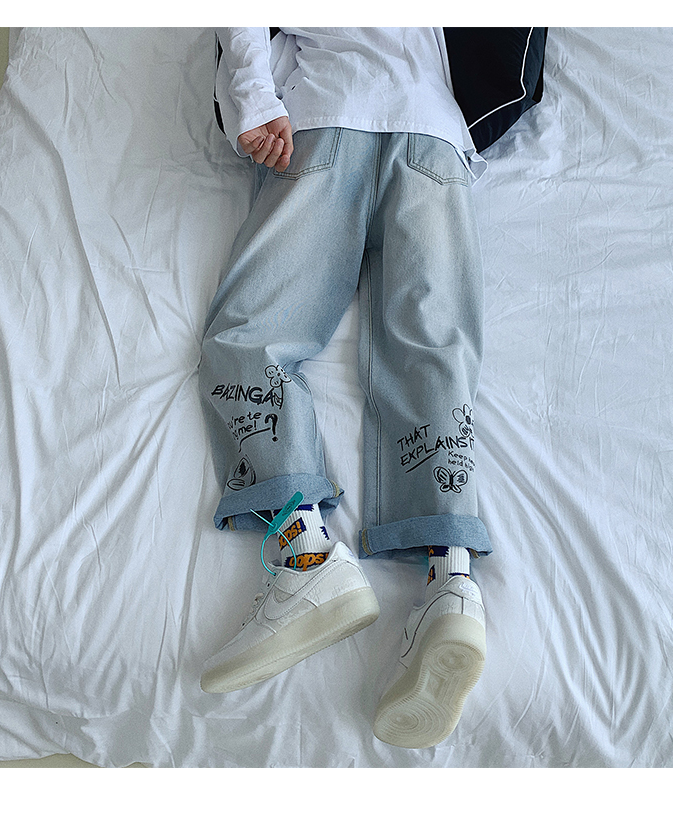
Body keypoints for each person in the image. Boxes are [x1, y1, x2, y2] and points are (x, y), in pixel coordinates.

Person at [199, 27, 545, 749]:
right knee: (433, 356)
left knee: (252, 338)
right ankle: (450, 584)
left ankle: (306, 556)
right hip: (434, 135)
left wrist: (254, 97)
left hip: (327, 117)